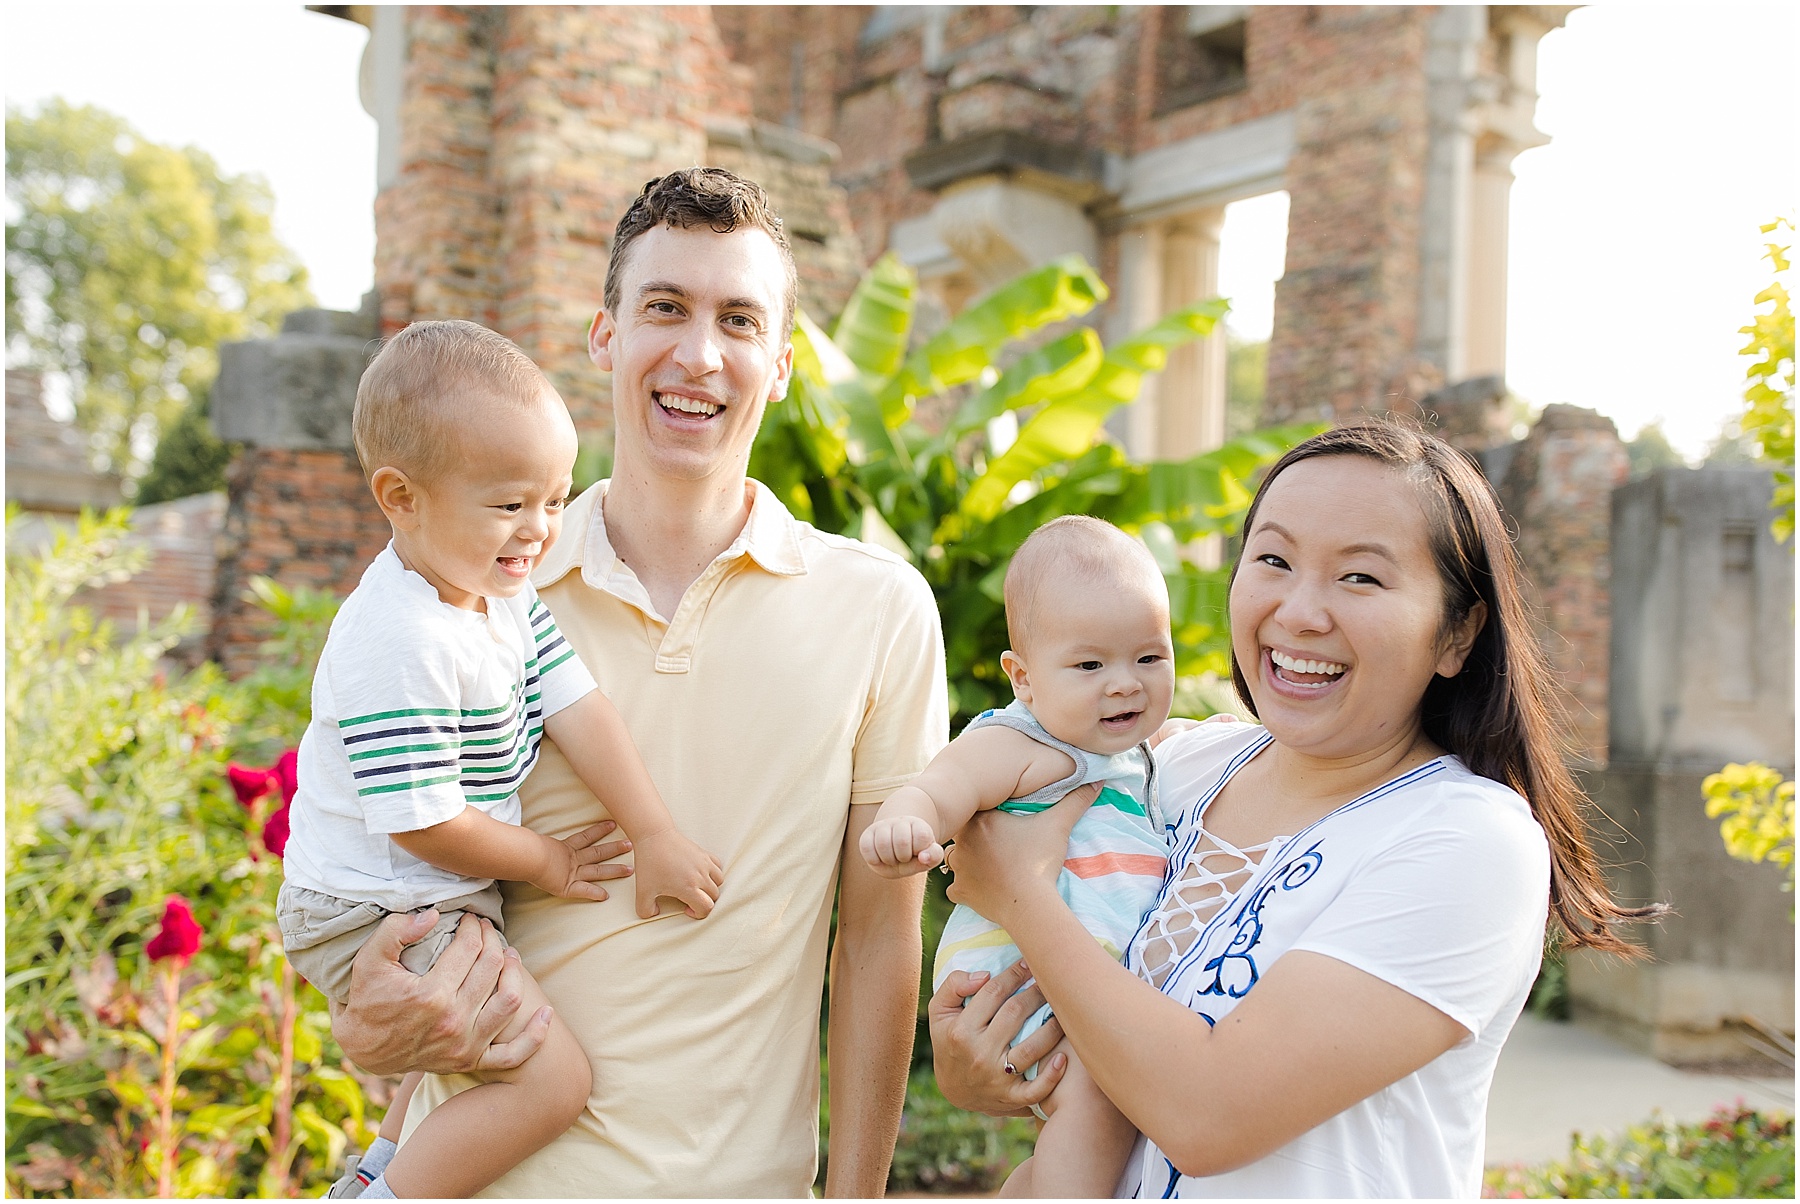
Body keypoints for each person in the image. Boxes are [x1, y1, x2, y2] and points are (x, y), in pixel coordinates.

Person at [327, 168, 945, 1196]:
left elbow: (880, 942)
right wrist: (365, 1021)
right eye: (665, 307)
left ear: (781, 365)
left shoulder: (879, 609)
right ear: (605, 335)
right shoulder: (460, 592)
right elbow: (394, 873)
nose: (698, 354)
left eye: (738, 320)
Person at [929, 421, 1663, 1197]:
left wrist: (1020, 892)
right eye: (1274, 560)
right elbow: (1045, 1025)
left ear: (1456, 634)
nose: (1301, 612)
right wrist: (983, 1063)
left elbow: (1206, 1114)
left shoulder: (1468, 841)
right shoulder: (1168, 769)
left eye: (1361, 578)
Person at [279, 320, 724, 1198]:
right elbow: (426, 822)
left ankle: (373, 1169)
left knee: (461, 1020)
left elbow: (580, 708)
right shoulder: (401, 635)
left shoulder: (497, 596)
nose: (539, 531)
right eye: (508, 504)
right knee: (551, 1082)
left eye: (554, 501)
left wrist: (655, 830)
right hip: (370, 906)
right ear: (400, 496)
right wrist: (550, 863)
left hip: (422, 895)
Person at [861, 516, 1173, 1196]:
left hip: (1075, 979)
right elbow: (941, 785)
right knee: (1093, 1100)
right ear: (1023, 678)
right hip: (1019, 975)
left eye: (1149, 658)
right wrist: (905, 824)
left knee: (1086, 1131)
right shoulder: (1023, 743)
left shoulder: (1137, 754)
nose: (1125, 684)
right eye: (1090, 665)